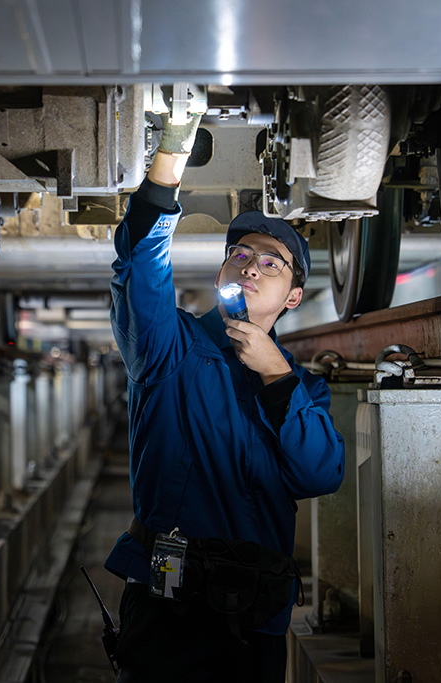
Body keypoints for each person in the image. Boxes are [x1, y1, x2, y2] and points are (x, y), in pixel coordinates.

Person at [105, 113, 346, 682]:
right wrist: (170, 157)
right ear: (222, 272)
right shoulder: (172, 347)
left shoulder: (303, 390)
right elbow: (139, 262)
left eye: (271, 263)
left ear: (291, 298)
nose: (252, 266)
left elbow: (320, 475)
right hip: (166, 594)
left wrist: (277, 376)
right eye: (240, 255)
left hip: (253, 614)